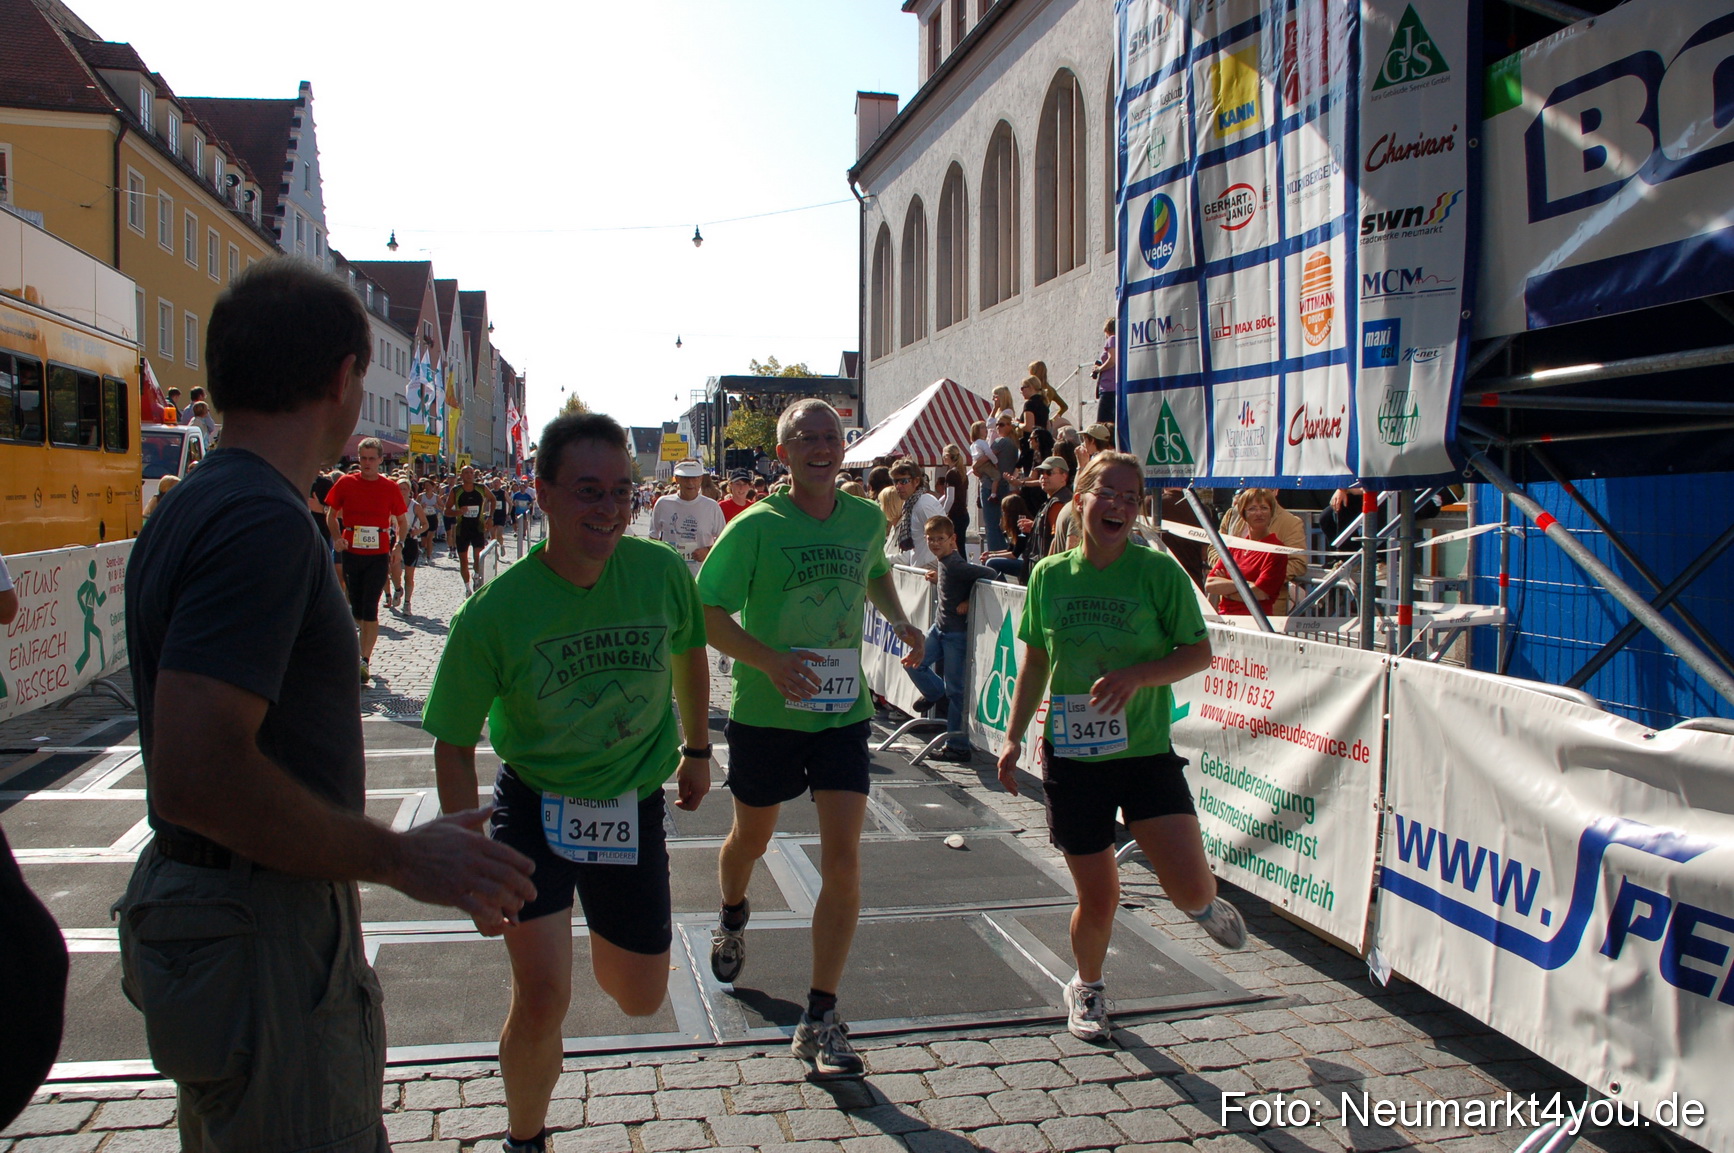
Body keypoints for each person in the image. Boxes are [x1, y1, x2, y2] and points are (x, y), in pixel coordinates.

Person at [117, 258, 535, 1152]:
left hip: (230, 917)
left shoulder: (197, 502)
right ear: (347, 380)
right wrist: (397, 855)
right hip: (262, 927)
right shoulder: (262, 518)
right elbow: (200, 771)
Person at [423, 414, 712, 1153]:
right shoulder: (493, 613)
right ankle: (526, 1137)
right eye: (588, 491)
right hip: (535, 805)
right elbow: (454, 744)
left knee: (641, 996)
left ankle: (583, 928)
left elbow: (689, 649)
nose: (610, 509)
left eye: (621, 490)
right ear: (543, 493)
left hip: (629, 807)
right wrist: (471, 856)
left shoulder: (658, 573)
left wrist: (698, 745)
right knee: (545, 995)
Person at [697, 399, 925, 1079]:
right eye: (808, 438)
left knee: (844, 860)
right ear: (785, 451)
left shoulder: (863, 518)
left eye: (832, 436)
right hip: (768, 712)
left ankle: (820, 1014)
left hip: (840, 713)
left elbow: (874, 570)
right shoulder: (757, 527)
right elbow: (705, 611)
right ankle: (734, 913)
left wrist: (900, 620)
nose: (822, 447)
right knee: (750, 841)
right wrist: (768, 660)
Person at [995, 450, 1245, 1043]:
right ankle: (1088, 987)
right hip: (1075, 758)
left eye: (1132, 498)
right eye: (1108, 492)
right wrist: (1011, 736)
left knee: (1189, 888)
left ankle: (1205, 904)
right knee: (1100, 894)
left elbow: (1198, 653)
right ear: (1080, 499)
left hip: (1144, 754)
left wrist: (1138, 675)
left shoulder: (1159, 575)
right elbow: (1034, 659)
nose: (1120, 506)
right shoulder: (1050, 576)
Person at [905, 515, 996, 762]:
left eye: (940, 539)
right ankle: (935, 693)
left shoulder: (955, 563)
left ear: (952, 540)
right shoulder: (944, 563)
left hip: (956, 634)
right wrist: (938, 577)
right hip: (939, 628)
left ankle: (958, 745)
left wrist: (970, 600)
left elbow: (990, 572)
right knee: (913, 662)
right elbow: (951, 579)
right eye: (931, 539)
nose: (935, 544)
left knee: (957, 692)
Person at [325, 438, 408, 683]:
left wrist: (399, 546)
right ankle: (360, 644)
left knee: (371, 607)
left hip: (378, 554)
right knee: (357, 608)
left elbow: (402, 522)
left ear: (381, 460)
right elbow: (331, 515)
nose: (367, 463)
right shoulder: (346, 483)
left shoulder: (390, 487)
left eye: (372, 459)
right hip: (352, 552)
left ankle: (364, 660)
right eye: (363, 458)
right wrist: (337, 538)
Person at [1206, 488, 1291, 617]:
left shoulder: (1275, 549)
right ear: (1243, 514)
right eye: (1252, 509)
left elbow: (1260, 592)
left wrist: (1225, 588)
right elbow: (1210, 584)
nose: (1259, 513)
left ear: (1271, 512)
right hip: (1226, 619)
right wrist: (1245, 584)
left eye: (1264, 508)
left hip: (1256, 621)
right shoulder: (1236, 546)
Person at [650, 460, 726, 575]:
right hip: (670, 573)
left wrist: (708, 551)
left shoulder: (711, 506)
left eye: (695, 478)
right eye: (685, 478)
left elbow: (723, 540)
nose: (690, 483)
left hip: (700, 575)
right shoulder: (663, 503)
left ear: (700, 479)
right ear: (677, 479)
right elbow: (653, 537)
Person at [888, 460, 946, 567]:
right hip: (921, 568)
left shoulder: (924, 504)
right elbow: (915, 546)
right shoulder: (910, 505)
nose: (898, 486)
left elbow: (945, 538)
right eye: (895, 481)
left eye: (904, 481)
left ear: (916, 481)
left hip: (931, 568)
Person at [447, 466, 494, 594]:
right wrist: (458, 512)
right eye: (466, 473)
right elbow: (447, 510)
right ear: (461, 476)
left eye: (471, 473)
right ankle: (467, 588)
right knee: (463, 560)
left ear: (474, 475)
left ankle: (477, 576)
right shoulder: (456, 491)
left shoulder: (481, 488)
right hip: (462, 529)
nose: (469, 475)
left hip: (478, 528)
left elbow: (493, 499)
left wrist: (490, 517)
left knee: (478, 557)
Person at [396, 478, 427, 616]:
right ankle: (397, 589)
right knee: (393, 570)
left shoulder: (415, 506)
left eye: (404, 488)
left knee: (408, 575)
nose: (402, 491)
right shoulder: (392, 504)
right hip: (395, 541)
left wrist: (418, 531)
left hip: (410, 540)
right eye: (399, 488)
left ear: (409, 490)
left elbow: (425, 524)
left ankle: (407, 602)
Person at [935, 444, 971, 548]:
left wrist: (943, 514)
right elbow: (965, 496)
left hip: (955, 516)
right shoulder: (962, 472)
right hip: (963, 514)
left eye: (944, 456)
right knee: (960, 546)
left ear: (947, 457)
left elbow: (950, 498)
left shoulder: (951, 473)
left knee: (954, 547)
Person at [1090, 318, 1117, 427]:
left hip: (1108, 387)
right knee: (1111, 423)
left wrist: (1098, 369)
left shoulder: (1112, 339)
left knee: (1102, 423)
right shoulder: (1120, 340)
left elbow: (1112, 360)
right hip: (1114, 386)